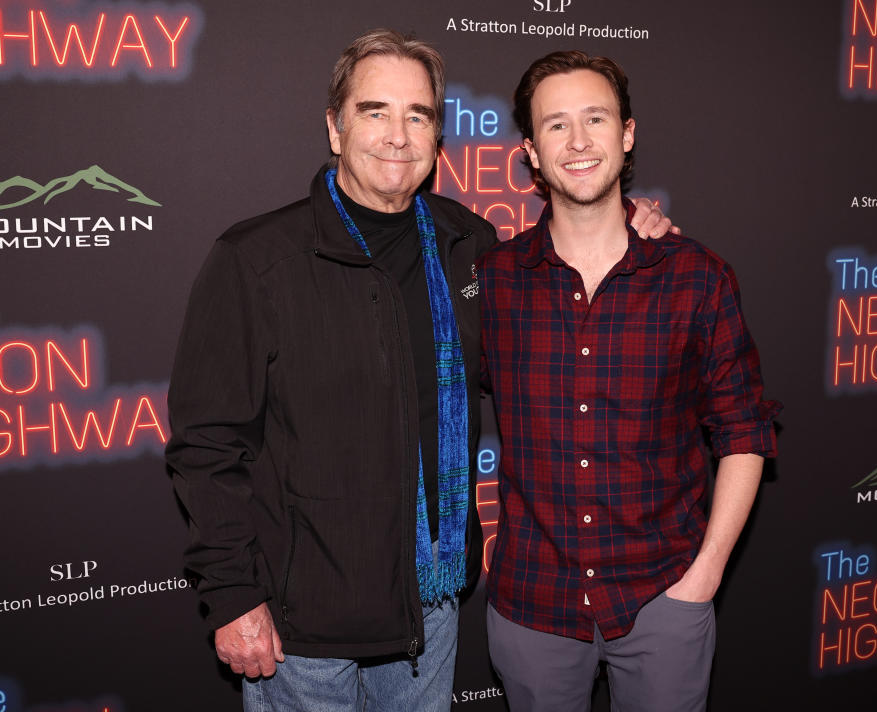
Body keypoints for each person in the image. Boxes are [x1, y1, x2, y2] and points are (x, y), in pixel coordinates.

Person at [165, 31, 674, 711]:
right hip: (303, 622)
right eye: (375, 111)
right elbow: (207, 445)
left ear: (438, 136)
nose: (397, 135)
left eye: (418, 115)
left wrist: (623, 233)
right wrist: (232, 596)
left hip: (429, 609)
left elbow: (539, 341)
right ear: (335, 128)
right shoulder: (257, 262)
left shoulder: (469, 245)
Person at [478, 50, 781, 712]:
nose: (579, 141)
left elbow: (745, 430)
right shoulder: (494, 281)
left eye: (595, 118)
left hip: (664, 601)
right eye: (556, 125)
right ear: (530, 150)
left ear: (628, 133)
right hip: (534, 606)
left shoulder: (697, 277)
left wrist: (704, 577)